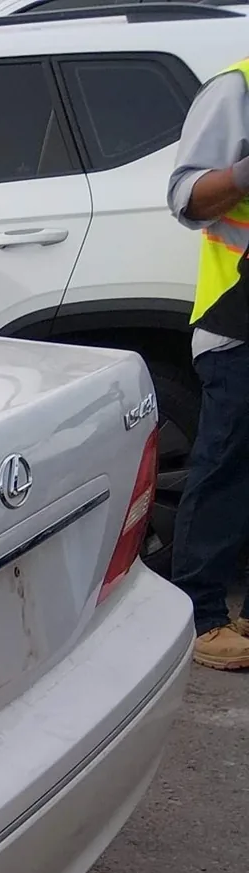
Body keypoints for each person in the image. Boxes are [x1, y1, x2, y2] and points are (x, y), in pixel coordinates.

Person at [171, 59, 249, 669]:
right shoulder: (238, 86)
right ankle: (201, 619)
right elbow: (187, 196)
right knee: (225, 470)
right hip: (238, 318)